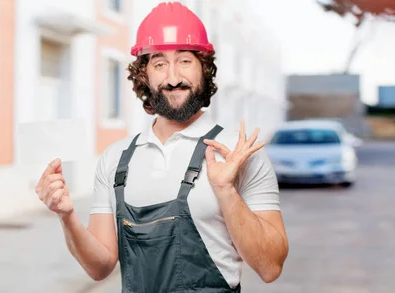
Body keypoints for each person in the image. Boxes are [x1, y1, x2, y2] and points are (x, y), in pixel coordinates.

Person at [35, 2, 289, 292]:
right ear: (144, 75)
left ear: (204, 70)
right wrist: (66, 216)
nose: (172, 78)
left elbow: (270, 268)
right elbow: (100, 266)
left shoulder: (238, 152)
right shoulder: (115, 160)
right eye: (159, 64)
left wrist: (227, 192)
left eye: (184, 61)